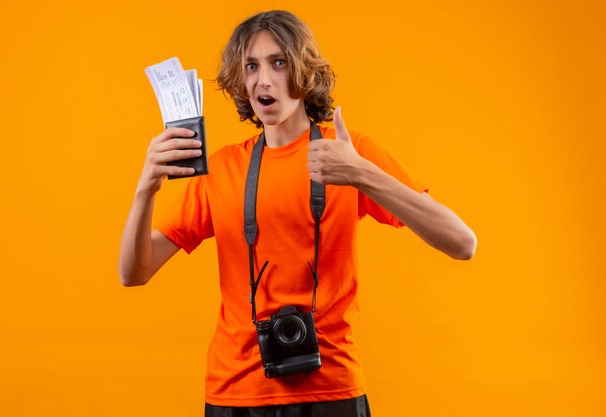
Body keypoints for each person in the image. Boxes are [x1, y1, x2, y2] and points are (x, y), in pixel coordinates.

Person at [119, 10, 477, 417]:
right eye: (251, 66)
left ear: (304, 70)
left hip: (332, 388)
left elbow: (462, 243)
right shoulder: (222, 171)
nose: (263, 80)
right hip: (235, 392)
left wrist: (362, 175)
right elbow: (134, 273)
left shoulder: (349, 153)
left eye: (279, 62)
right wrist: (145, 188)